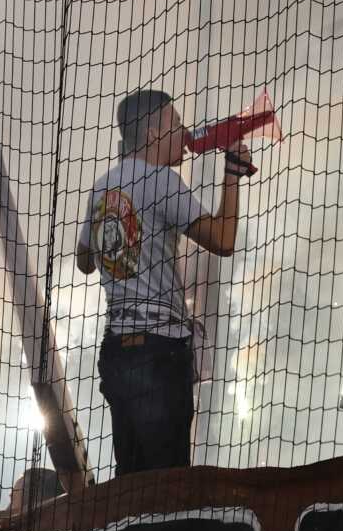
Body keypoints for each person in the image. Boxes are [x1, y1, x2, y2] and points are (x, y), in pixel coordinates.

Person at [76, 89, 252, 475]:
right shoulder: (164, 181)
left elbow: (84, 261)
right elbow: (223, 240)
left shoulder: (101, 187)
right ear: (154, 131)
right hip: (159, 351)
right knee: (167, 485)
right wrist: (233, 173)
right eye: (174, 124)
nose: (184, 132)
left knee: (130, 479)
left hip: (116, 351)